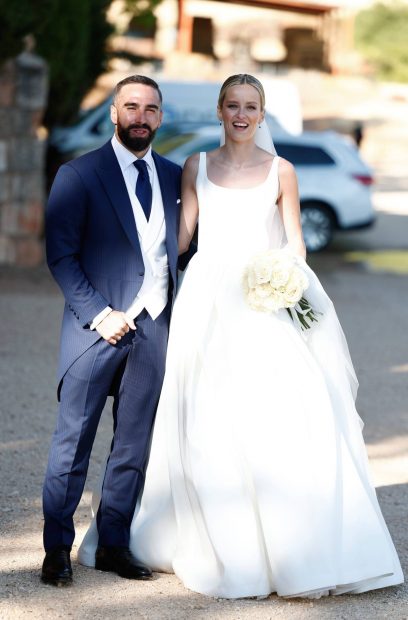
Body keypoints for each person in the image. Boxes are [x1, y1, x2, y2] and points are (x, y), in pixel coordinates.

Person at [79, 74, 403, 598]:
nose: (241, 114)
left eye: (251, 106)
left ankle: (283, 547)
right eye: (232, 105)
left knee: (270, 414)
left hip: (261, 305)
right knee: (202, 413)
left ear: (262, 112)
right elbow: (179, 238)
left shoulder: (283, 171)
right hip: (205, 300)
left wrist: (286, 289)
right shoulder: (195, 167)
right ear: (220, 109)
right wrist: (124, 262)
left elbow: (295, 245)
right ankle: (211, 537)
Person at [42, 75, 183, 586]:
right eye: (131, 106)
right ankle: (55, 548)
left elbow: (182, 253)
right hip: (94, 331)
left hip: (153, 330)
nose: (140, 116)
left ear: (160, 117)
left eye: (150, 108)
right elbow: (60, 253)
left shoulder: (174, 177)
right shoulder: (79, 174)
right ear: (113, 112)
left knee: (133, 446)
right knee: (71, 444)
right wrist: (99, 314)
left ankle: (114, 545)